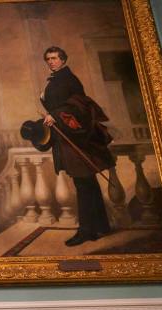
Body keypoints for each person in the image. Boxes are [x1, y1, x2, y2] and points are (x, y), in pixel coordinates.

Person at [41, 46, 115, 246]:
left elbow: (80, 106)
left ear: (63, 59)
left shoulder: (69, 80)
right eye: (48, 58)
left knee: (84, 183)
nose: (51, 61)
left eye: (55, 58)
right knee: (86, 183)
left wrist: (54, 115)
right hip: (65, 137)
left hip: (77, 139)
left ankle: (86, 231)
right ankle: (100, 227)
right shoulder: (56, 80)